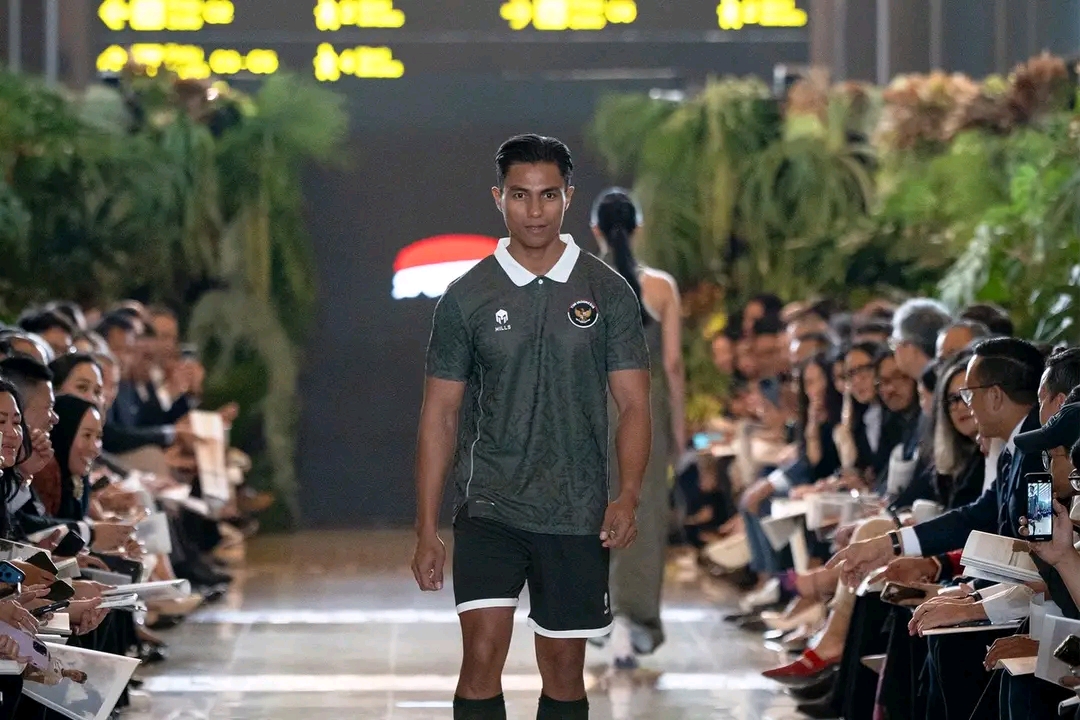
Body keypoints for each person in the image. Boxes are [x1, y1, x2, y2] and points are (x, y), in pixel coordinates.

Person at [411, 134, 652, 720]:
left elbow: (634, 405)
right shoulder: (466, 297)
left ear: (569, 196)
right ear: (499, 198)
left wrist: (627, 495)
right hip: (490, 506)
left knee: (565, 672)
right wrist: (425, 527)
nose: (535, 210)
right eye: (520, 195)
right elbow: (439, 415)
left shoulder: (607, 292)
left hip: (576, 511)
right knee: (480, 660)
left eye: (548, 195)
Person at [588, 188, 685, 669]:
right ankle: (634, 619)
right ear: (639, 229)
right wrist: (680, 430)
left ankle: (598, 616)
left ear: (595, 231)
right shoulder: (662, 287)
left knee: (590, 511)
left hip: (593, 411)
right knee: (642, 511)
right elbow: (673, 364)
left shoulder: (578, 281)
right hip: (646, 410)